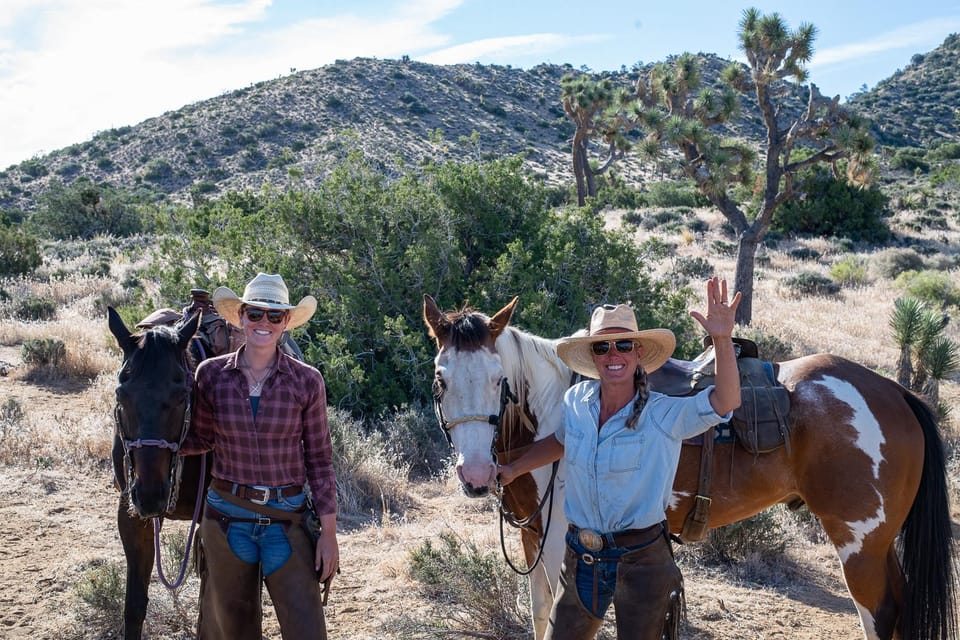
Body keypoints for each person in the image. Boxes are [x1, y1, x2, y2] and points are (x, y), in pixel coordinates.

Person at [497, 276, 742, 640]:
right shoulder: (576, 401)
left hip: (642, 560)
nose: (613, 355)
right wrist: (514, 468)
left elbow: (725, 402)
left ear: (638, 353)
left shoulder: (661, 414)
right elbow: (562, 440)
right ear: (592, 357)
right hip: (581, 556)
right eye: (602, 348)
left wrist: (722, 339)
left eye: (623, 345)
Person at [179, 272, 338, 640]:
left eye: (274, 316)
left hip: (287, 521)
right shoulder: (211, 375)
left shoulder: (306, 380)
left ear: (285, 322)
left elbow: (319, 460)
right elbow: (200, 438)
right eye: (254, 315)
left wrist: (328, 535)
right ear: (240, 317)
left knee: (306, 631)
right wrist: (154, 435)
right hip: (226, 519)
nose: (263, 323)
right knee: (230, 631)